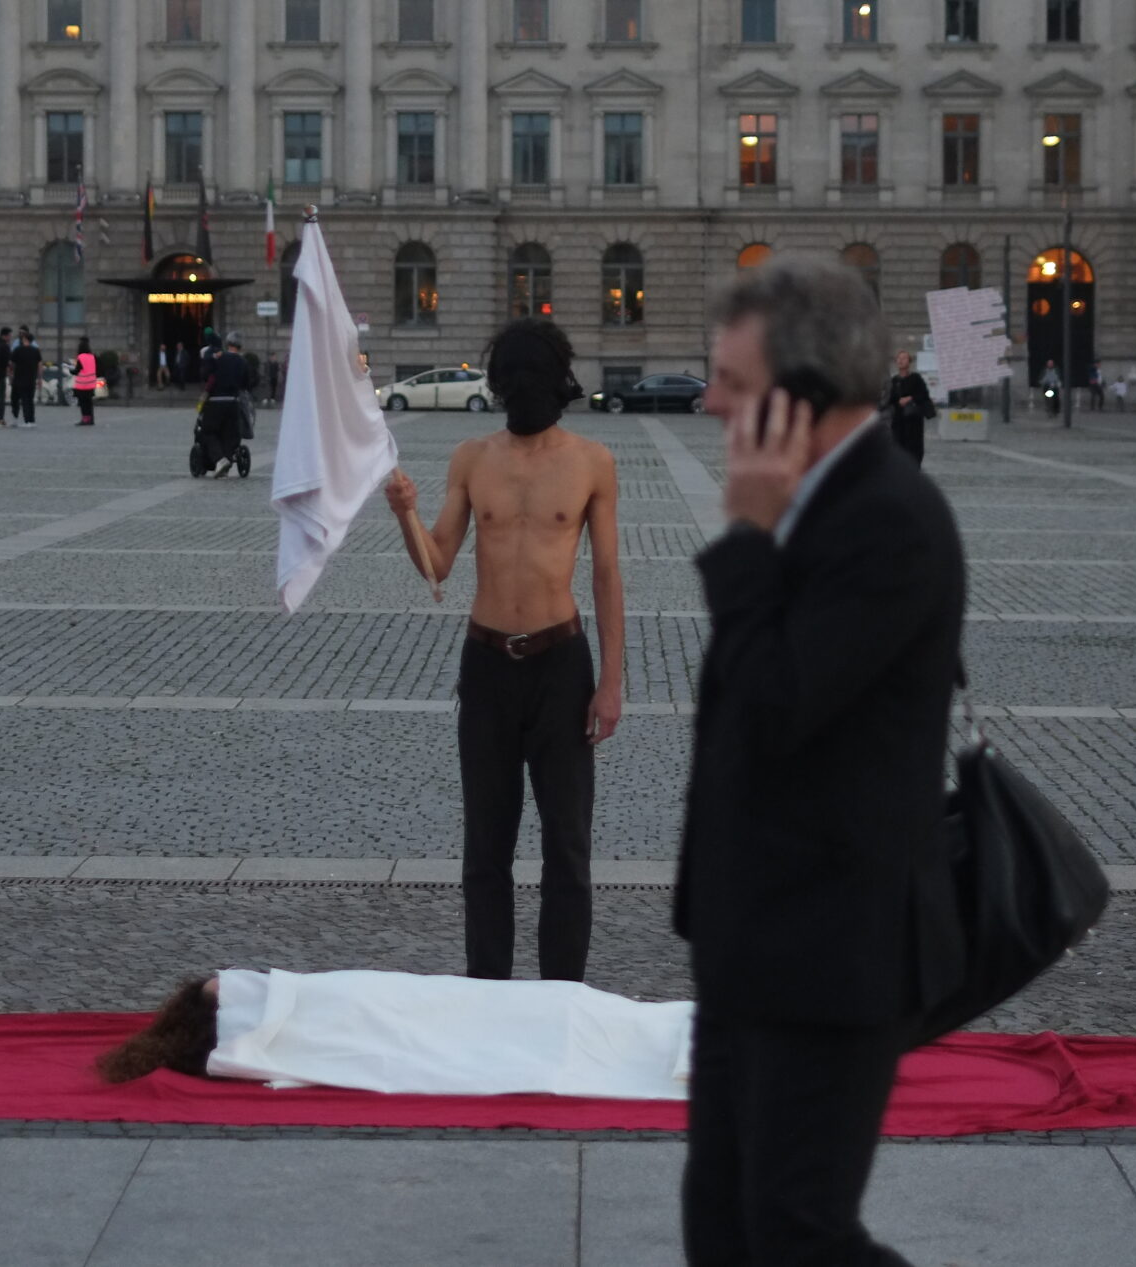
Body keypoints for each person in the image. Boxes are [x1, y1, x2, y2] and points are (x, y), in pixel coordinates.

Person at [682, 255, 967, 1267]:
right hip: (753, 937)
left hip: (834, 946)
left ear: (800, 393)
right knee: (724, 1227)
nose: (710, 402)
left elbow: (777, 704)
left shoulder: (888, 520)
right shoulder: (816, 501)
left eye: (732, 381)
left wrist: (743, 542)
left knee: (799, 1234)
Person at [384, 318, 624, 984]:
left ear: (555, 381)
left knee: (567, 847)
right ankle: (487, 993)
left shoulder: (591, 462)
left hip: (561, 666)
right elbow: (436, 562)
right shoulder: (473, 458)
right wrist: (403, 512)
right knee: (485, 850)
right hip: (487, 666)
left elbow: (607, 574)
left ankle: (561, 996)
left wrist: (611, 682)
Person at [99, 971, 691, 1102]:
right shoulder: (272, 1023)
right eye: (223, 987)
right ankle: (685, 1044)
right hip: (387, 1013)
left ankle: (684, 1037)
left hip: (418, 1001)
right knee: (556, 1020)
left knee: (559, 1006)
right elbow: (389, 1038)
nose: (231, 976)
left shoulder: (277, 996)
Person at [880, 349, 935, 466]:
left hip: (913, 420)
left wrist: (910, 398)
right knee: (898, 447)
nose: (900, 361)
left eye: (904, 358)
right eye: (898, 358)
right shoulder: (893, 380)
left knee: (914, 449)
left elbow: (923, 395)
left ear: (909, 362)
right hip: (898, 421)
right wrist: (897, 401)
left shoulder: (916, 378)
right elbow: (889, 399)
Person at [8, 327, 43, 427]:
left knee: (16, 399)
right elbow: (40, 365)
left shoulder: (18, 350)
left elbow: (11, 364)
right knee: (29, 400)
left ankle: (18, 419)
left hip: (19, 379)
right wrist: (39, 378)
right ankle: (31, 420)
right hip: (31, 379)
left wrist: (10, 375)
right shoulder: (36, 351)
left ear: (25, 339)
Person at [71, 334, 99, 427]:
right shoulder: (92, 356)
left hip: (82, 384)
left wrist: (71, 371)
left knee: (83, 403)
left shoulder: (81, 357)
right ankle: (91, 419)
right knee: (89, 402)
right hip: (91, 383)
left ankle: (85, 419)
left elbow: (77, 370)